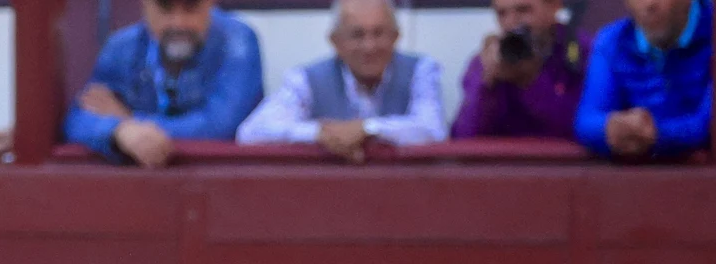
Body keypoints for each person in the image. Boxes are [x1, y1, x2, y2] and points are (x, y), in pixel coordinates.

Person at [62, 0, 264, 168]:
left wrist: (130, 120)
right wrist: (119, 131)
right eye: (165, 8)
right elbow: (78, 118)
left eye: (191, 8)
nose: (178, 23)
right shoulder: (122, 47)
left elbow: (220, 126)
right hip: (141, 190)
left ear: (210, 4)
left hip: (224, 183)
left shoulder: (238, 41)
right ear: (145, 6)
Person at [236, 0, 447, 161]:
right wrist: (321, 134)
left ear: (396, 36)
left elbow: (434, 130)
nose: (369, 46)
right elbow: (251, 132)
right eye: (357, 35)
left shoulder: (421, 70)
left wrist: (367, 129)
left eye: (379, 33)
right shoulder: (306, 78)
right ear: (335, 42)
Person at [573, 0, 711, 159]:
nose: (649, 4)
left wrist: (657, 135)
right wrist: (612, 127)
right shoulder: (612, 42)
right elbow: (586, 121)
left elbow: (714, 125)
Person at [450, 0, 589, 139]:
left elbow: (583, 129)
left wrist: (531, 82)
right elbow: (462, 137)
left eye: (523, 10)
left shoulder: (583, 52)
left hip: (563, 159)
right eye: (501, 13)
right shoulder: (487, 59)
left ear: (554, 6)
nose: (511, 22)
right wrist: (487, 85)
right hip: (504, 159)